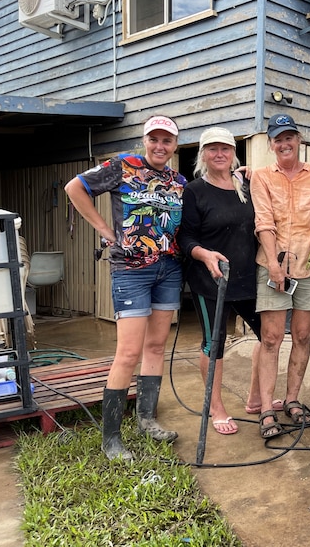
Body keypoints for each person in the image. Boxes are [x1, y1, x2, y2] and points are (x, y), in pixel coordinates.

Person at [64, 115, 185, 460]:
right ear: (145, 141)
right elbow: (75, 188)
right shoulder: (122, 167)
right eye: (154, 140)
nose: (160, 146)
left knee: (156, 346)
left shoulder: (178, 181)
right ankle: (111, 438)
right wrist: (104, 229)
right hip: (131, 270)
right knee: (128, 352)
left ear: (175, 146)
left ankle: (146, 419)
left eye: (167, 141)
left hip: (169, 268)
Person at [177, 126, 267, 436]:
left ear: (233, 154)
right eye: (212, 149)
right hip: (209, 279)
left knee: (267, 337)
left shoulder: (245, 184)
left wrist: (257, 173)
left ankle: (256, 397)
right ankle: (217, 406)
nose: (219, 154)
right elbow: (185, 237)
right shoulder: (195, 190)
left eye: (225, 149)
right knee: (213, 344)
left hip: (246, 277)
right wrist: (204, 254)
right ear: (202, 154)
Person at [250, 114, 310, 438]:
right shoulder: (261, 177)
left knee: (302, 335)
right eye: (277, 139)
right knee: (270, 338)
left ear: (299, 140)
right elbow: (263, 222)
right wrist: (273, 264)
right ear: (271, 144)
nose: (284, 143)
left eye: (289, 137)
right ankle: (267, 408)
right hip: (272, 265)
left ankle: (293, 399)